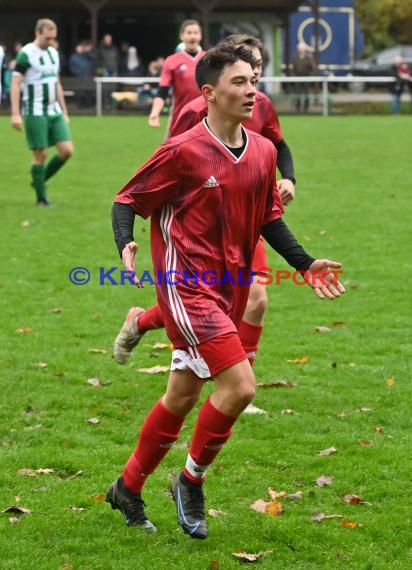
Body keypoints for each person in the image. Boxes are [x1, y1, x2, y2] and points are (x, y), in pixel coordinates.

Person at [107, 41, 345, 539]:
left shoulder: (261, 152)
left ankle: (127, 487)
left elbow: (269, 219)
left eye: (254, 81)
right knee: (239, 387)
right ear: (210, 93)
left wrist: (303, 264)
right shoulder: (182, 150)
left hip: (228, 286)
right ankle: (189, 482)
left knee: (182, 394)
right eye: (239, 82)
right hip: (184, 286)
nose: (251, 90)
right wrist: (126, 244)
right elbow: (126, 199)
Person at [113, 35, 296, 370]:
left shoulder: (263, 105)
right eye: (243, 75)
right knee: (206, 299)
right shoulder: (193, 115)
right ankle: (223, 374)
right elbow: (173, 161)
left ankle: (236, 379)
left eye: (256, 73)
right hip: (200, 231)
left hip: (246, 223)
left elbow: (279, 146)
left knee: (255, 299)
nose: (252, 83)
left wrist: (288, 179)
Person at [10, 19, 74, 206]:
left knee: (67, 150)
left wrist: (64, 110)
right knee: (41, 153)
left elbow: (57, 83)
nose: (50, 41)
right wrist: (15, 113)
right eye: (47, 38)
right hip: (34, 110)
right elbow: (15, 83)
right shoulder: (26, 54)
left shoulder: (53, 53)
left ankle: (38, 181)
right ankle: (41, 198)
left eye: (53, 38)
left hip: (54, 111)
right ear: (37, 33)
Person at [148, 19, 205, 135]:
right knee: (170, 152)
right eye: (189, 33)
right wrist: (154, 113)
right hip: (180, 119)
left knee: (209, 153)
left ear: (200, 36)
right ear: (182, 36)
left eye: (195, 32)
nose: (192, 36)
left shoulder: (209, 59)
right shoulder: (171, 61)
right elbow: (162, 91)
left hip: (206, 119)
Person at [291, 42, 317, 113]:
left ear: (304, 49)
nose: (300, 50)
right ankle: (298, 106)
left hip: (306, 77)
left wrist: (311, 75)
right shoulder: (296, 56)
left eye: (301, 49)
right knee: (297, 92)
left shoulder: (309, 57)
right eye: (299, 49)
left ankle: (306, 107)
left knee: (306, 92)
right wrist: (293, 75)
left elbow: (313, 67)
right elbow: (293, 67)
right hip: (297, 77)